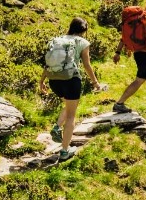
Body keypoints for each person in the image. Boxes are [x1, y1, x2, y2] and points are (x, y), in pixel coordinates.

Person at [39, 17, 105, 161]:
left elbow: (48, 62)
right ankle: (64, 151)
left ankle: (57, 127)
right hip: (71, 79)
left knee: (69, 106)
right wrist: (95, 83)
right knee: (71, 116)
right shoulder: (83, 42)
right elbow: (87, 65)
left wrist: (42, 80)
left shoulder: (56, 39)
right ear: (84, 30)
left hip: (54, 80)